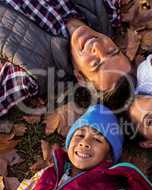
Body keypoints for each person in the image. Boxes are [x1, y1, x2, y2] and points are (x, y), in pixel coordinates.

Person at [0, 0, 133, 116]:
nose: (97, 46)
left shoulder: (35, 71)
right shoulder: (106, 10)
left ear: (81, 77)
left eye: (96, 64)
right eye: (112, 51)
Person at [12, 104, 152, 190]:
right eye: (80, 135)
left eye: (98, 140)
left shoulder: (109, 188)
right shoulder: (49, 171)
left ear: (109, 156)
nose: (85, 143)